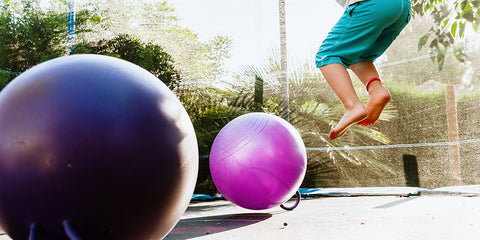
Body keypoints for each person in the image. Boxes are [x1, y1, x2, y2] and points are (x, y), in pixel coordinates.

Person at [316, 0, 411, 139]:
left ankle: (352, 106)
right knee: (359, 55)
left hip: (372, 5)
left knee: (328, 55)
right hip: (401, 8)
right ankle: (377, 90)